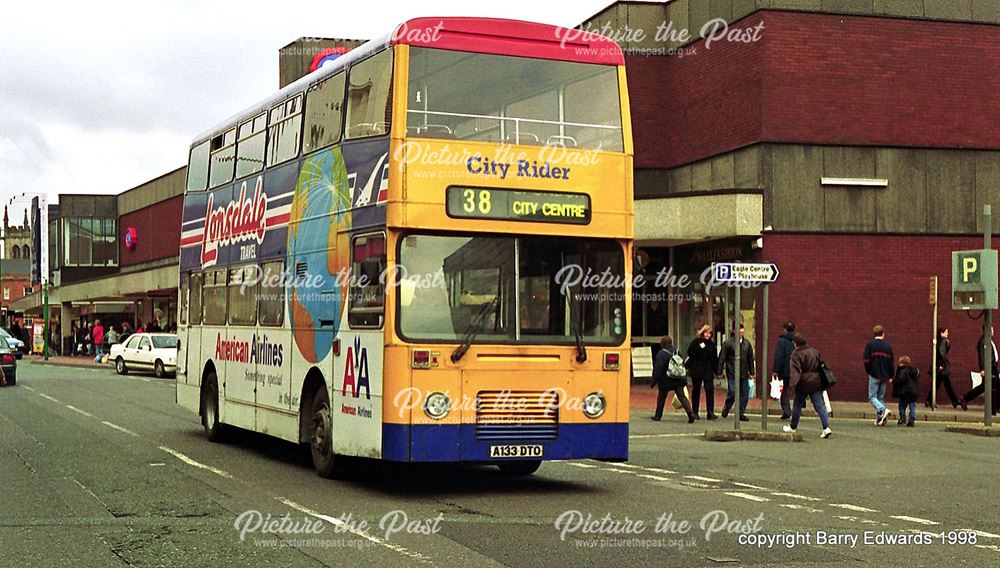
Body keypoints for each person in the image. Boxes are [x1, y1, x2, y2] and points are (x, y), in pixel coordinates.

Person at [783, 333, 833, 438]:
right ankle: (826, 427)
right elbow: (822, 364)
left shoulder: (796, 354)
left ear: (795, 343)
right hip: (816, 381)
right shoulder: (814, 351)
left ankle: (793, 427)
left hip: (803, 382)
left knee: (797, 405)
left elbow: (795, 371)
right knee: (819, 405)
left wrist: (792, 384)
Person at [651, 336, 695, 423]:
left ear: (662, 344)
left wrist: (654, 381)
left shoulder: (661, 354)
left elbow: (658, 368)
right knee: (682, 396)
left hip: (666, 379)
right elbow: (682, 364)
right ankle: (690, 413)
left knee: (661, 397)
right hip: (678, 378)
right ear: (671, 343)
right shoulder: (677, 352)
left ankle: (658, 415)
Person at [718, 323, 756, 421]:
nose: (741, 334)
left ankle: (740, 412)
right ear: (734, 331)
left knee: (745, 393)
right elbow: (722, 358)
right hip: (732, 372)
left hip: (744, 373)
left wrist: (752, 372)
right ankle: (727, 407)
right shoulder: (728, 343)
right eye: (739, 332)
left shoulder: (747, 344)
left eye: (742, 332)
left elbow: (750, 359)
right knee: (733, 392)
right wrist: (719, 371)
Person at [960, 325, 1000, 415]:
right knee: (990, 387)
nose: (993, 331)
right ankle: (993, 409)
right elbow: (982, 356)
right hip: (988, 368)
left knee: (992, 387)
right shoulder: (983, 342)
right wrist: (983, 369)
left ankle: (996, 407)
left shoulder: (989, 341)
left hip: (993, 367)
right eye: (991, 329)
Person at [685, 324, 719, 420]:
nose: (708, 335)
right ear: (702, 333)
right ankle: (695, 412)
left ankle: (710, 412)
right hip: (697, 370)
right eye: (706, 333)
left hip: (708, 370)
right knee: (696, 390)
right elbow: (690, 353)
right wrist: (700, 347)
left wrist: (717, 371)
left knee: (709, 391)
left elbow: (714, 359)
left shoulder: (712, 345)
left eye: (710, 333)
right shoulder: (696, 342)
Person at [863, 324, 895, 426]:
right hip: (885, 375)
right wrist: (891, 375)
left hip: (874, 373)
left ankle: (882, 409)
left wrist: (869, 371)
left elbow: (866, 360)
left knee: (872, 397)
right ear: (883, 334)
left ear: (874, 334)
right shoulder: (888, 347)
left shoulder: (870, 345)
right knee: (880, 397)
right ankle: (880, 419)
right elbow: (891, 363)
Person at [926, 327, 959, 409]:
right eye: (946, 332)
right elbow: (942, 353)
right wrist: (942, 365)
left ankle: (929, 400)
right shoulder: (943, 341)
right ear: (941, 333)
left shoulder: (938, 341)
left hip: (939, 366)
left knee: (938, 384)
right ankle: (955, 400)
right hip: (941, 367)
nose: (947, 334)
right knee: (947, 384)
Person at [772, 321, 796, 420]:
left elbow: (779, 356)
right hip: (795, 370)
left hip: (785, 370)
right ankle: (795, 409)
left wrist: (776, 370)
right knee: (796, 390)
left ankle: (786, 410)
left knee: (784, 391)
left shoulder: (781, 341)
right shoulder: (795, 341)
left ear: (785, 329)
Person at [892, 355, 920, 427]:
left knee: (901, 406)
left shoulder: (903, 371)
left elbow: (900, 380)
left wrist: (893, 381)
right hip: (913, 392)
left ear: (902, 363)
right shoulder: (914, 371)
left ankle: (902, 418)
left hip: (905, 392)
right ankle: (912, 419)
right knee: (912, 406)